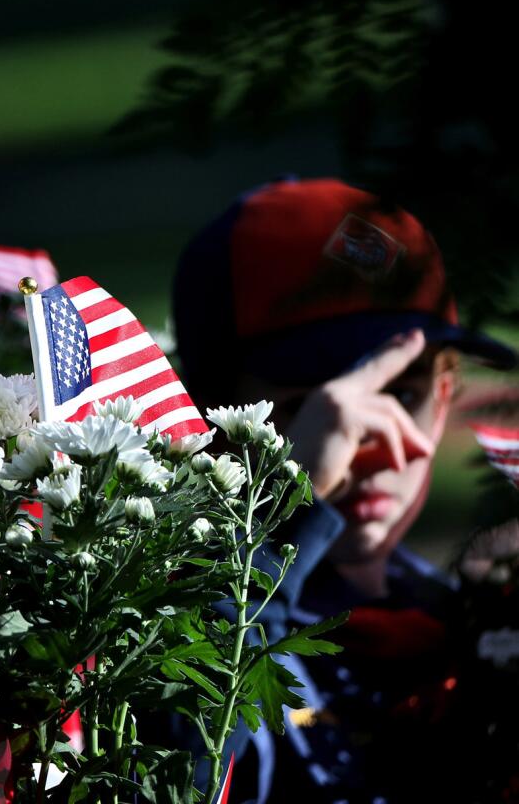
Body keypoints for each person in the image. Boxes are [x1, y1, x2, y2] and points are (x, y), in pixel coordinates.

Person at [172, 177, 516, 803]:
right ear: (210, 424)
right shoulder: (182, 625)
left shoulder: (476, 615)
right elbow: (175, 772)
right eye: (312, 412)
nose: (374, 441)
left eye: (402, 396)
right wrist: (289, 508)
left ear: (443, 403)